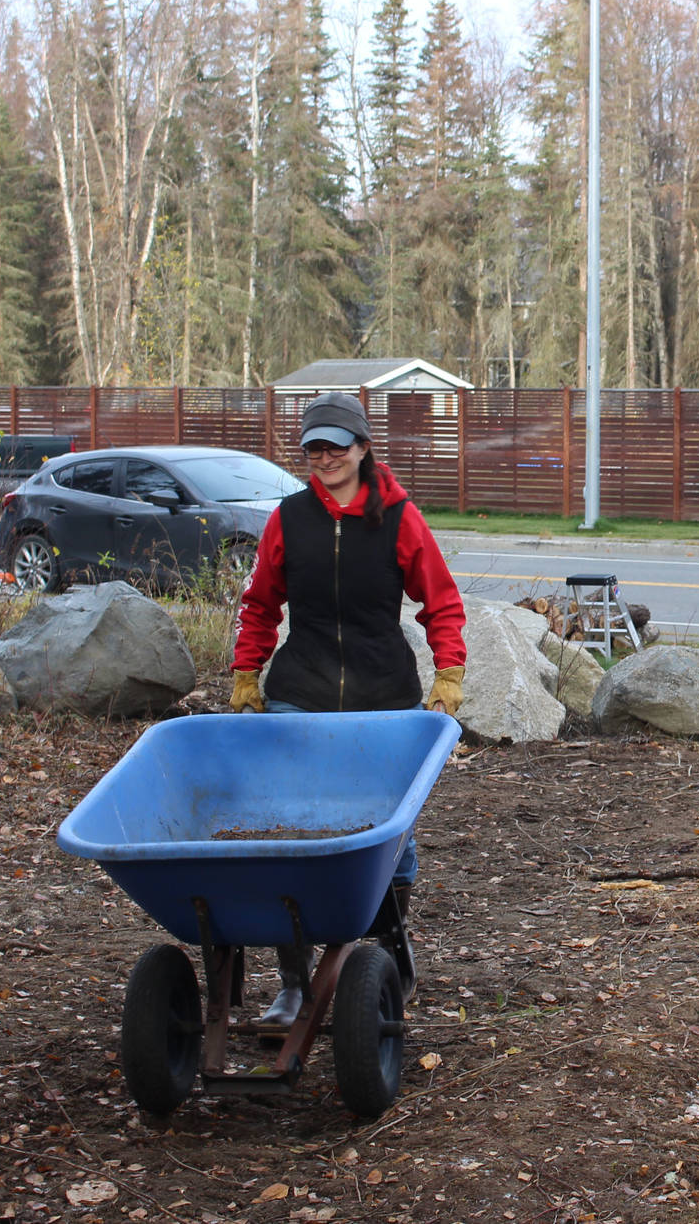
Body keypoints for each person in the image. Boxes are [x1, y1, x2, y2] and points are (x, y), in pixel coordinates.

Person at [229, 392, 466, 1025]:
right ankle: (291, 981)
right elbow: (259, 604)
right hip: (300, 692)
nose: (325, 456)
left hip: (382, 696)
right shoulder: (290, 518)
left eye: (337, 444)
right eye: (314, 447)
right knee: (287, 829)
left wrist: (450, 672)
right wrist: (247, 672)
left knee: (390, 833)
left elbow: (440, 600)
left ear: (363, 447)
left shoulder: (398, 518)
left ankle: (389, 950)